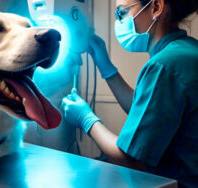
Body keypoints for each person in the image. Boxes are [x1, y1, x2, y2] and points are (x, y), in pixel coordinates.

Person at [61, 0, 198, 187]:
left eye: (122, 13)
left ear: (156, 7)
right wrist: (106, 68)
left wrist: (86, 119)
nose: (119, 22)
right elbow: (146, 112)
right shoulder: (187, 50)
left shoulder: (164, 65)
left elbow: (131, 160)